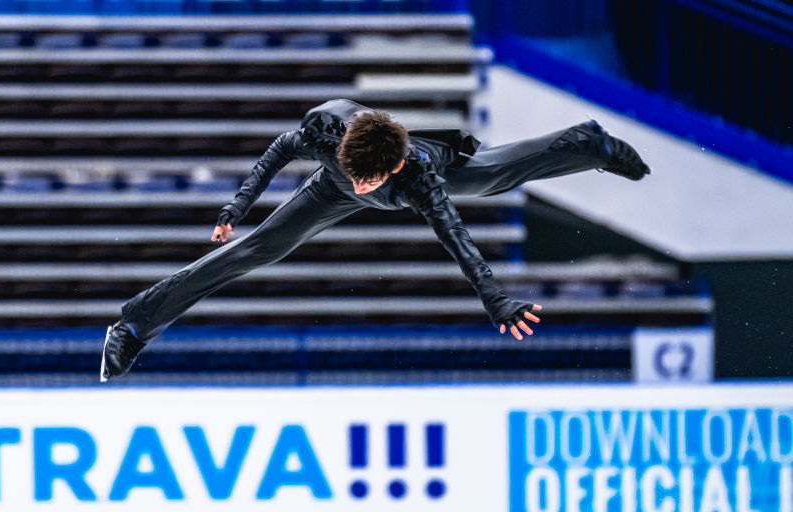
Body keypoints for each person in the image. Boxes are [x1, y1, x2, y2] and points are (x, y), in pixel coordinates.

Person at [100, 98, 650, 380]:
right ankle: (134, 325)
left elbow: (455, 237)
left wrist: (494, 298)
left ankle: (584, 145)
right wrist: (234, 208)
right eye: (357, 172)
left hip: (425, 169)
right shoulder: (323, 135)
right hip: (325, 190)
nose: (365, 186)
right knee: (251, 252)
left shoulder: (418, 175)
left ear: (393, 167)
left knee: (490, 174)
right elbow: (275, 154)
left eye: (373, 179)